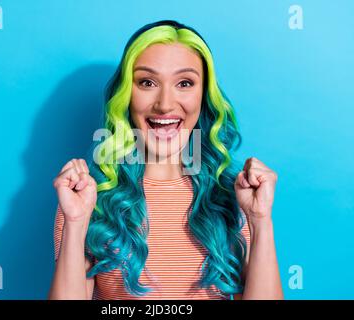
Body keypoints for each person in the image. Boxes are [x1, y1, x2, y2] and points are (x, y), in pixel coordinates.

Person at [48, 20, 283, 300]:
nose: (165, 104)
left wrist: (260, 221)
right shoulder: (89, 200)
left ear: (204, 96)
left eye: (184, 83)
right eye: (147, 82)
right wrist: (75, 223)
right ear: (126, 95)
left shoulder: (235, 198)